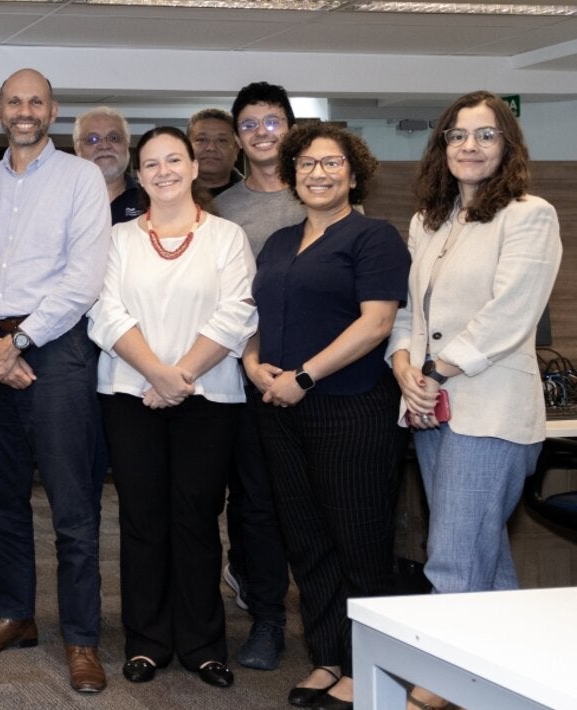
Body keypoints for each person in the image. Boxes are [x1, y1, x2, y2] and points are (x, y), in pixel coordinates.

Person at [393, 91, 562, 710]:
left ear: (507, 146)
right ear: (441, 146)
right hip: (432, 408)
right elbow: (411, 311)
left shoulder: (528, 214)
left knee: (453, 562)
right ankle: (517, 686)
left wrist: (435, 368)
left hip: (489, 412)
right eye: (457, 135)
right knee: (484, 563)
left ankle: (435, 691)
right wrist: (406, 365)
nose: (469, 146)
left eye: (485, 135)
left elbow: (508, 316)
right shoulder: (430, 221)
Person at [245, 123, 410, 710]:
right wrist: (253, 361)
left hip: (350, 408)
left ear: (354, 172)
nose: (319, 173)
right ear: (292, 176)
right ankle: (328, 657)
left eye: (332, 163)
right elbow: (258, 314)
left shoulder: (374, 237)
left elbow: (377, 323)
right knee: (308, 542)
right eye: (307, 165)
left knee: (360, 544)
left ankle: (375, 671)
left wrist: (305, 376)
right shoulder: (279, 242)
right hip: (280, 411)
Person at [0, 68, 110, 695]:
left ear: (54, 111)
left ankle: (81, 638)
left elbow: (85, 276)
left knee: (73, 507)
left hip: (57, 349)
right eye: (14, 101)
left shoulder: (82, 178)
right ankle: (14, 615)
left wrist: (18, 342)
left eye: (36, 102)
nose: (25, 111)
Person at [88, 126, 255, 690]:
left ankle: (204, 645)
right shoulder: (116, 240)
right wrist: (156, 375)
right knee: (141, 520)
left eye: (173, 160)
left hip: (208, 398)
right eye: (152, 163)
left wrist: (178, 376)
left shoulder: (227, 237)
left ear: (191, 168)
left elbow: (237, 315)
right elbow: (104, 315)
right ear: (139, 175)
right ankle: (147, 641)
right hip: (131, 396)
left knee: (197, 518)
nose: (163, 171)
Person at [213, 81, 304, 672]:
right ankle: (267, 617)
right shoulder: (221, 208)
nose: (262, 133)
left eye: (273, 122)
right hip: (243, 374)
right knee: (255, 503)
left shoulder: (324, 193)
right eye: (250, 124)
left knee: (314, 503)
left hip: (316, 376)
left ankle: (331, 620)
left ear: (291, 128)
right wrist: (252, 362)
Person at [74, 105, 142, 224]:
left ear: (127, 144)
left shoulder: (152, 200)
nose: (105, 146)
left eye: (114, 138)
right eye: (93, 139)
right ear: (77, 148)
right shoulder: (59, 201)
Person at [189, 109, 243, 196]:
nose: (211, 148)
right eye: (201, 140)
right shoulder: (168, 195)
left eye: (221, 140)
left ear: (236, 150)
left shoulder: (257, 198)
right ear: (187, 148)